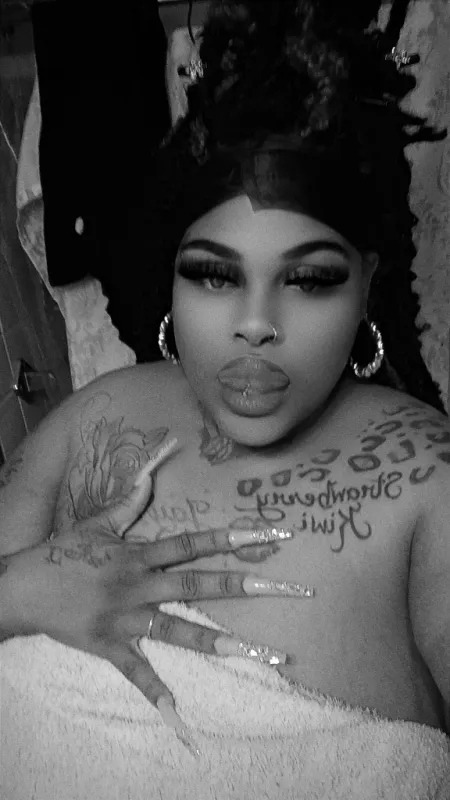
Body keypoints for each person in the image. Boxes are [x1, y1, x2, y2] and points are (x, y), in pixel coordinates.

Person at [1, 0, 449, 794]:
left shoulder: (427, 479)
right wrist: (19, 591)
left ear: (366, 286)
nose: (255, 323)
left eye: (309, 279)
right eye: (213, 274)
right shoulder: (93, 417)